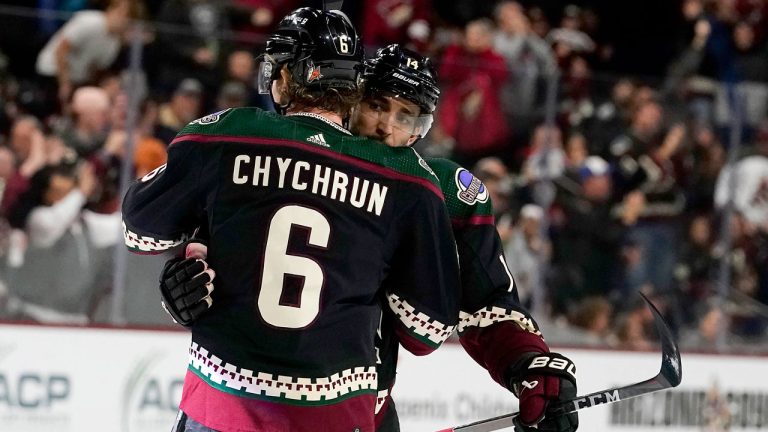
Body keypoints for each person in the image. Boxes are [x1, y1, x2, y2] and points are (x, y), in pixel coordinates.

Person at [160, 44, 578, 432]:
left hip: (357, 410)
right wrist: (185, 273)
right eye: (375, 105)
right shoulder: (284, 155)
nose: (385, 127)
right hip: (237, 401)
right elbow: (216, 234)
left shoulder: (442, 193)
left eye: (404, 115)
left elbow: (487, 305)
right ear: (349, 99)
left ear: (420, 129)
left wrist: (529, 364)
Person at [122, 8, 461, 432]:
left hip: (223, 407)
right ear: (353, 87)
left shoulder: (225, 135)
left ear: (287, 76)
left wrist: (200, 244)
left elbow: (139, 230)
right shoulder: (411, 182)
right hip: (337, 415)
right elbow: (427, 332)